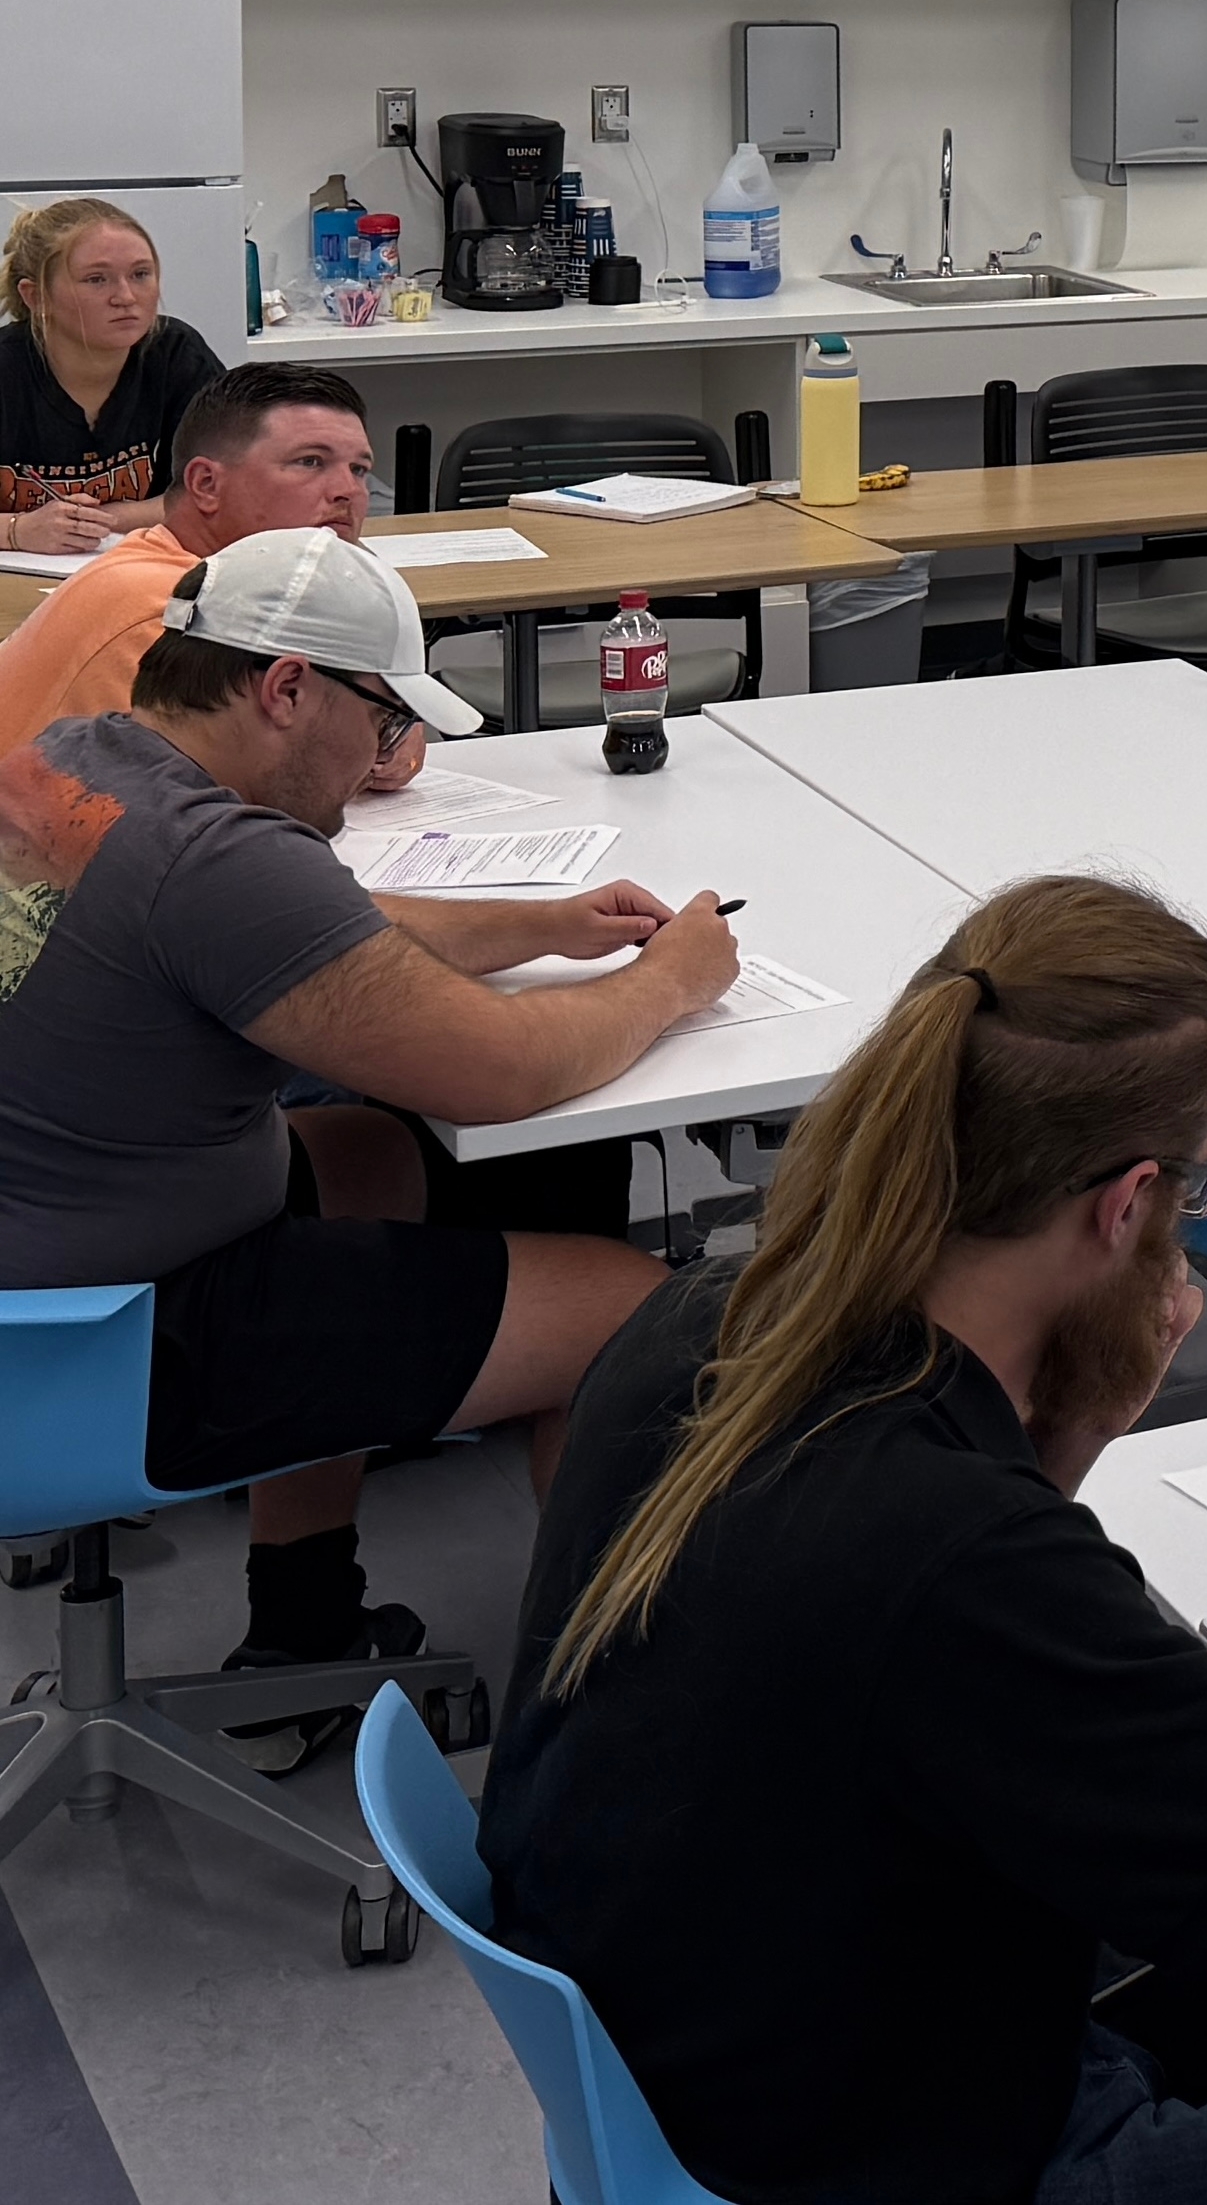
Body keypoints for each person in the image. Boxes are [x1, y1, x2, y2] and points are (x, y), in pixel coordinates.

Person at [484, 877, 1207, 2205]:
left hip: (737, 2055)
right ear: (1127, 1208)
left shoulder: (711, 1317)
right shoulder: (959, 1555)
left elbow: (930, 1684)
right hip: (915, 2144)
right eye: (1196, 1184)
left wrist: (1063, 1444)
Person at [0, 527, 726, 1760]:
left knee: (370, 1162)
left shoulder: (82, 763)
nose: (385, 756)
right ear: (287, 689)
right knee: (630, 1308)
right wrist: (672, 983)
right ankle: (620, 1735)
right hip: (96, 1352)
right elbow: (499, 1074)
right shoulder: (219, 861)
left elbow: (318, 930)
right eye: (383, 719)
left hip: (45, 1262)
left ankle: (302, 1622)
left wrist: (542, 925)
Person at [0, 363, 419, 791]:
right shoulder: (163, 610)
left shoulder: (257, 593)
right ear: (205, 484)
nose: (347, 491)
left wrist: (388, 730)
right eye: (310, 462)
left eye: (359, 470)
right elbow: (238, 793)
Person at [2, 197, 227, 554]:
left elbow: (225, 487)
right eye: (96, 280)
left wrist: (109, 519)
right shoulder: (8, 368)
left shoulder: (176, 355)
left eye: (140, 274)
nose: (125, 296)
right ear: (36, 297)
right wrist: (17, 530)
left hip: (137, 568)